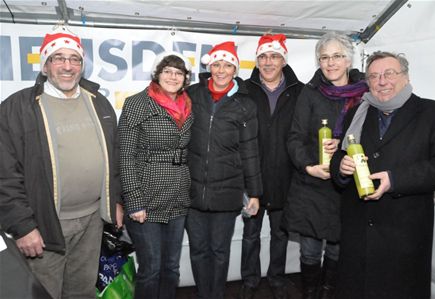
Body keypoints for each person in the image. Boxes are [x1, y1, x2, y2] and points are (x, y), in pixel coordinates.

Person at [0, 26, 123, 299]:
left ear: (82, 66)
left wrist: (115, 201)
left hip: (92, 220)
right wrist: (22, 227)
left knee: (81, 292)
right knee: (42, 293)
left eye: (75, 59)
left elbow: (113, 159)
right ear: (45, 66)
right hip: (43, 226)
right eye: (59, 58)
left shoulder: (99, 102)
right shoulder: (18, 108)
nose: (68, 66)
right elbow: (4, 175)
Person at [330, 51, 435, 299]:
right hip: (358, 230)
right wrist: (341, 167)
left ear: (405, 77)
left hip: (404, 232)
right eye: (374, 76)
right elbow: (339, 156)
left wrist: (395, 179)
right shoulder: (359, 112)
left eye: (389, 74)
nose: (381, 81)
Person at [283, 32, 368, 299]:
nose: (331, 63)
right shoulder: (310, 93)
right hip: (311, 184)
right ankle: (309, 293)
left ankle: (328, 292)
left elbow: (373, 137)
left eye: (337, 56)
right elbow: (295, 137)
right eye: (324, 58)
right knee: (309, 249)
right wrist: (308, 165)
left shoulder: (366, 93)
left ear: (348, 59)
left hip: (346, 184)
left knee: (337, 248)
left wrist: (342, 143)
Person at [185, 41, 263, 299]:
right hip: (192, 190)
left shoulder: (245, 104)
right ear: (210, 67)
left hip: (227, 191)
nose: (221, 70)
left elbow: (250, 150)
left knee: (219, 251)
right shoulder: (192, 94)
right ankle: (202, 293)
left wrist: (254, 192)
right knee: (198, 250)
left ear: (235, 69)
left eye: (227, 65)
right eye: (216, 64)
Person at [118, 51, 193, 299]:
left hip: (178, 197)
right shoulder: (137, 103)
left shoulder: (189, 106)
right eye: (167, 71)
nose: (173, 77)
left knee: (171, 267)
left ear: (185, 77)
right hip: (146, 199)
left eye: (178, 72)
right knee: (150, 268)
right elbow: (125, 156)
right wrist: (134, 200)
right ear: (157, 74)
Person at [240, 33, 304, 299]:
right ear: (257, 61)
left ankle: (276, 277)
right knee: (250, 233)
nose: (268, 62)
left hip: (286, 176)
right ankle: (249, 279)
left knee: (280, 233)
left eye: (274, 56)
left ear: (283, 61)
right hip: (252, 175)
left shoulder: (299, 91)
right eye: (263, 57)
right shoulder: (243, 89)